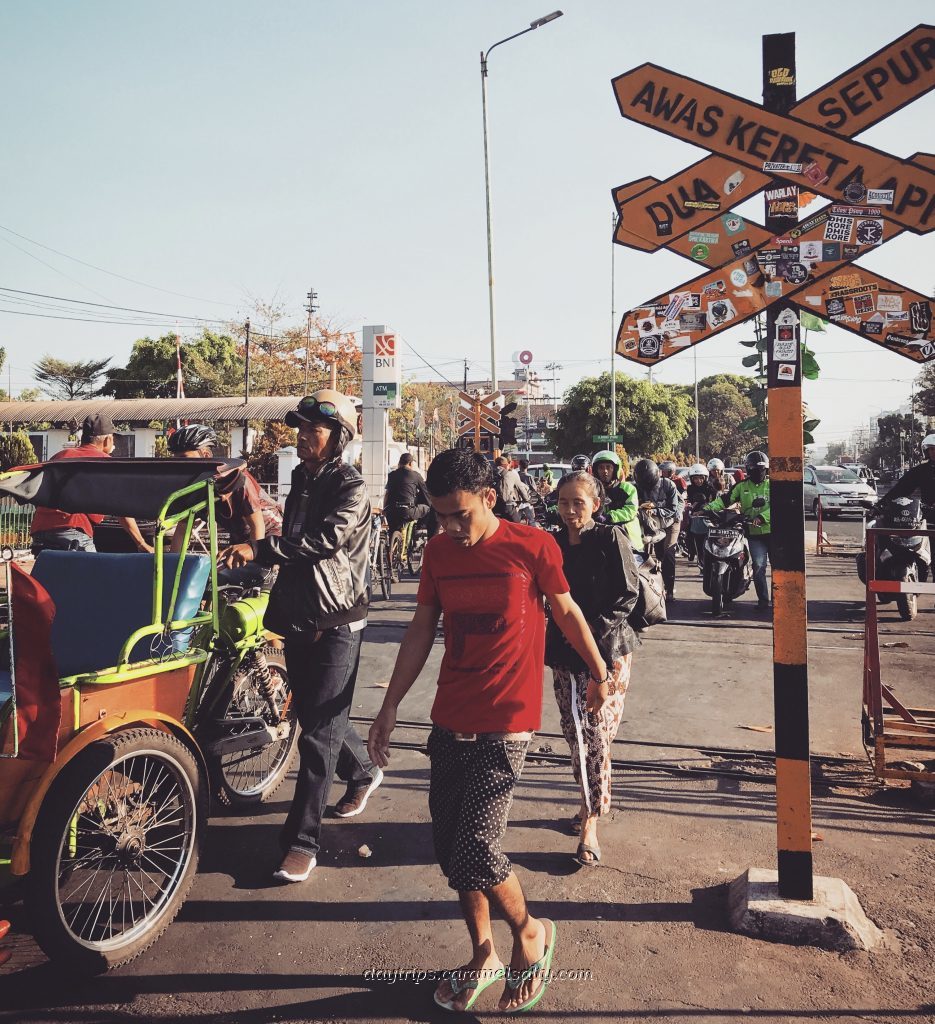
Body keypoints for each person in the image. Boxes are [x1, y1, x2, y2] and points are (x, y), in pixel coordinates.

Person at [368, 448, 611, 1014]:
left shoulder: (532, 546)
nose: (450, 527)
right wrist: (388, 708)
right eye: (440, 517)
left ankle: (530, 933)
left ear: (489, 499)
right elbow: (421, 629)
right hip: (451, 715)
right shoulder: (437, 552)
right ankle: (483, 954)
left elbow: (567, 611)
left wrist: (598, 671)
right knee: (452, 854)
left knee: (477, 846)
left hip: (508, 719)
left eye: (460, 515)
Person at [219, 390, 381, 883]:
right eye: (302, 428)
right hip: (298, 617)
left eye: (316, 429)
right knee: (317, 718)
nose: (305, 436)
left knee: (314, 737)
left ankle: (302, 841)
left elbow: (325, 541)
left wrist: (260, 550)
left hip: (336, 622)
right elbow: (289, 533)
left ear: (340, 439)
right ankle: (363, 771)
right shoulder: (300, 479)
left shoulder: (351, 486)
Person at [546, 471, 639, 868]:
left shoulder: (609, 538)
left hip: (608, 652)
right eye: (564, 502)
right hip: (564, 657)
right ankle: (591, 807)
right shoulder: (549, 543)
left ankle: (590, 819)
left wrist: (587, 633)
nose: (570, 511)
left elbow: (627, 594)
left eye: (578, 503)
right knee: (580, 737)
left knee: (595, 736)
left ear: (596, 505)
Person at [30, 413, 152, 555]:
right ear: (107, 440)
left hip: (40, 529)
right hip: (71, 531)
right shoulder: (104, 461)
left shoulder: (61, 456)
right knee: (95, 575)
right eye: (113, 439)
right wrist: (141, 543)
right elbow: (121, 508)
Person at [705, 450, 771, 610]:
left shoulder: (772, 485)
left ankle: (780, 600)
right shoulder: (741, 486)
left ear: (766, 470)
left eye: (761, 470)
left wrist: (762, 517)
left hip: (774, 532)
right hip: (753, 534)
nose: (758, 472)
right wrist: (707, 509)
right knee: (759, 567)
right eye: (754, 469)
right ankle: (763, 601)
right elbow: (724, 500)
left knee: (779, 570)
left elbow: (779, 506)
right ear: (748, 470)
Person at [633, 458, 680, 601]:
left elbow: (672, 509)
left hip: (670, 522)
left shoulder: (668, 485)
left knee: (668, 553)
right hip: (650, 524)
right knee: (650, 554)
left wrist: (654, 509)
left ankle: (669, 589)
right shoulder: (637, 488)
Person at [591, 450, 641, 552]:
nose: (605, 471)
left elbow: (631, 510)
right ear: (596, 471)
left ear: (615, 469)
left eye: (608, 467)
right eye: (601, 468)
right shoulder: (593, 490)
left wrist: (609, 516)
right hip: (601, 538)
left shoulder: (627, 488)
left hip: (628, 540)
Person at [383, 452, 433, 539]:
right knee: (427, 509)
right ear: (410, 463)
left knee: (392, 529)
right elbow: (425, 493)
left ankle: (391, 548)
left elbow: (387, 494)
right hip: (408, 511)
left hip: (392, 511)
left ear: (400, 462)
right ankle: (419, 528)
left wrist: (384, 509)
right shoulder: (416, 475)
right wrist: (430, 505)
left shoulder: (392, 475)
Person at [885, 433, 935, 506]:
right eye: (931, 449)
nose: (934, 452)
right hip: (927, 514)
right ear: (926, 451)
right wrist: (880, 505)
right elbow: (901, 488)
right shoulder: (922, 470)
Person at [684, 463, 716, 565]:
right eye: (696, 478)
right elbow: (690, 501)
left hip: (709, 515)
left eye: (701, 478)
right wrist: (691, 508)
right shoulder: (690, 488)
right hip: (695, 516)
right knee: (689, 534)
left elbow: (714, 502)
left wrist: (705, 508)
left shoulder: (710, 488)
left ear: (705, 478)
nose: (698, 481)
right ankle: (692, 551)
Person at [492, 454, 531, 524]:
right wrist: (527, 499)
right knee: (516, 524)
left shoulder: (489, 473)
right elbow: (521, 489)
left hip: (492, 506)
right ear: (506, 465)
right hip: (507, 506)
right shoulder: (511, 474)